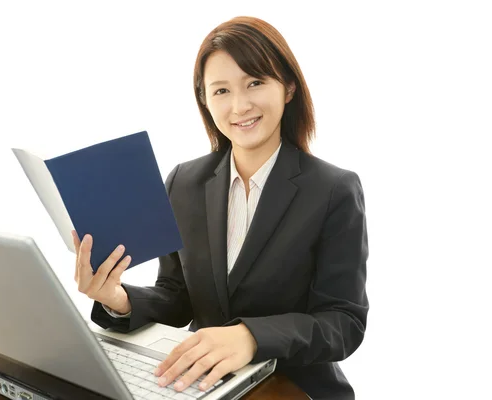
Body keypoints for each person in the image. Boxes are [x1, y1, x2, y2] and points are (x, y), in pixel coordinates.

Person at [72, 15, 369, 400]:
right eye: (221, 91)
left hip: (293, 389)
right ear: (205, 100)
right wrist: (118, 299)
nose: (240, 105)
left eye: (255, 83)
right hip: (202, 386)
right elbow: (177, 296)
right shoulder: (185, 182)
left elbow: (343, 322)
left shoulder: (334, 190)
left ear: (289, 87)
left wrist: (250, 337)